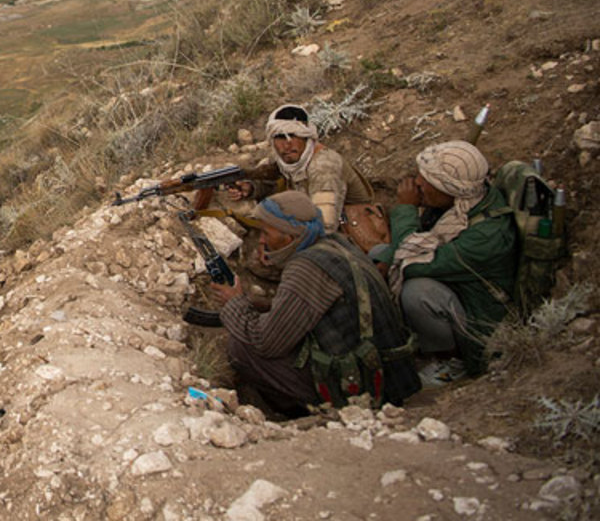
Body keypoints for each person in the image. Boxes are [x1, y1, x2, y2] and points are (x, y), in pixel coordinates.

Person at [210, 191, 420, 416]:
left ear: (289, 237)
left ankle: (303, 414)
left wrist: (235, 303)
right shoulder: (337, 244)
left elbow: (265, 342)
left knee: (241, 347)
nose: (261, 240)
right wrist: (257, 303)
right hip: (390, 374)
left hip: (368, 386)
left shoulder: (306, 267)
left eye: (266, 233)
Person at [369, 141, 517, 385]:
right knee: (379, 252)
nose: (417, 183)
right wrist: (384, 261)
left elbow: (414, 263)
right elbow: (414, 245)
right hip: (456, 287)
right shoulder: (457, 206)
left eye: (427, 180)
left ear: (449, 188)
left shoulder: (486, 236)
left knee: (417, 292)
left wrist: (406, 208)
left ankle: (451, 362)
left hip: (478, 321)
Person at [227, 104, 374, 236]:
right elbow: (276, 183)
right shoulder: (287, 160)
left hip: (351, 234)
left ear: (306, 137)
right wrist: (251, 188)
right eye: (280, 137)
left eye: (293, 135)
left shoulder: (323, 168)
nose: (287, 144)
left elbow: (325, 227)